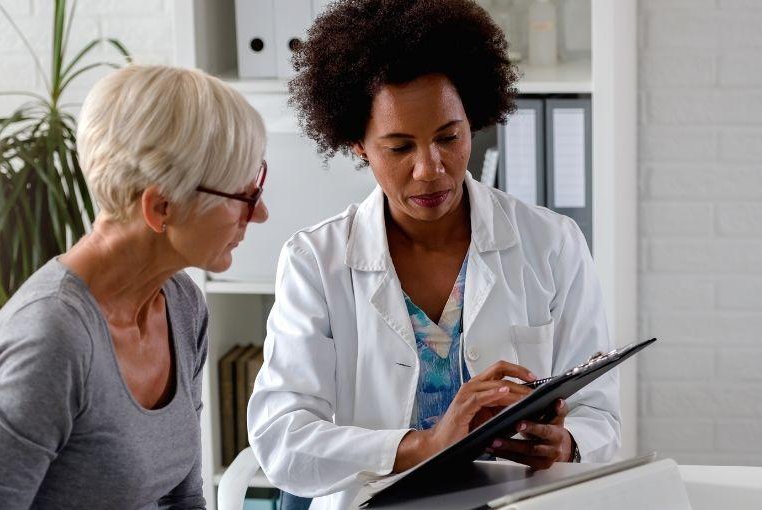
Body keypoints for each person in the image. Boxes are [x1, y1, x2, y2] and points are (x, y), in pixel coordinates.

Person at [247, 1, 619, 509]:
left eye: (449, 136)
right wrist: (423, 445)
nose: (430, 169)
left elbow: (599, 415)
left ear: (475, 119)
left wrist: (569, 442)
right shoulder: (315, 261)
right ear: (357, 143)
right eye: (400, 147)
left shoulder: (553, 243)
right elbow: (282, 439)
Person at [0, 65, 269, 509]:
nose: (260, 213)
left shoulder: (182, 306)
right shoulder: (50, 341)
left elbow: (183, 496)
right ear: (160, 207)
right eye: (245, 196)